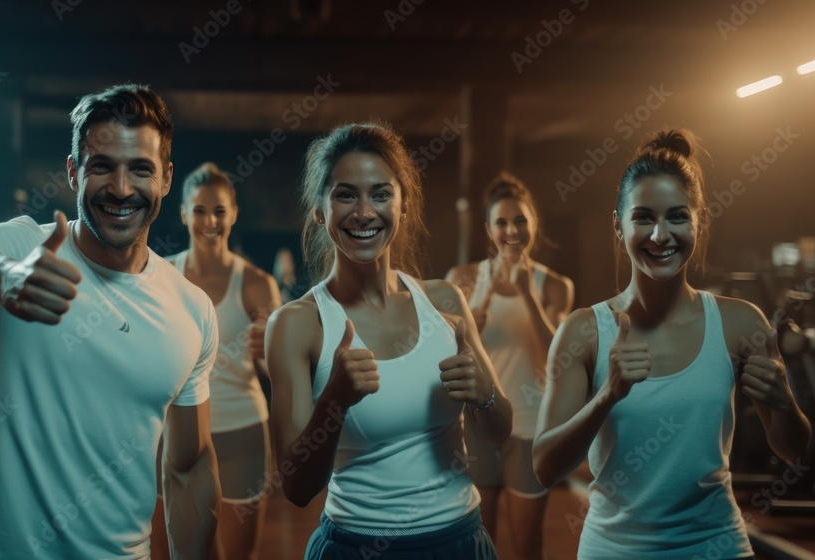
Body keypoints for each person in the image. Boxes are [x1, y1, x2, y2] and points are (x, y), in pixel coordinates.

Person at [0, 84, 221, 560]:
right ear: (73, 171)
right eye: (102, 166)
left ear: (165, 177)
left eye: (139, 169)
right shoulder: (24, 248)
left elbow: (189, 465)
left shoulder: (192, 309)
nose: (121, 189)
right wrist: (2, 278)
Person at [533, 129, 811, 559]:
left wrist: (784, 401)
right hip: (614, 551)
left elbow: (795, 452)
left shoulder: (740, 323)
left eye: (677, 217)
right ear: (617, 224)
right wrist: (607, 396)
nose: (661, 235)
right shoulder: (583, 331)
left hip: (717, 547)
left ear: (699, 219)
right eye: (643, 217)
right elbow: (545, 468)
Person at [265, 121, 512, 559]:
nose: (364, 212)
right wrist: (333, 403)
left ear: (403, 204)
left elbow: (500, 430)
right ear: (320, 210)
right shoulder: (296, 325)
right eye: (346, 194)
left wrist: (485, 394)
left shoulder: (444, 302)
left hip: (459, 541)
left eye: (380, 193)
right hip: (355, 546)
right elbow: (297, 488)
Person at [445, 172, 574, 559]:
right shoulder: (462, 280)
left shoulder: (555, 286)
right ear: (489, 229)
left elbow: (558, 359)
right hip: (478, 424)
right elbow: (446, 358)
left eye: (520, 220)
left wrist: (526, 296)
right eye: (501, 222)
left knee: (527, 544)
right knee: (479, 542)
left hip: (530, 425)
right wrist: (473, 327)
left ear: (534, 224)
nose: (511, 230)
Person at [165, 162, 281, 560]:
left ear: (233, 214)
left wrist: (268, 352)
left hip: (241, 431)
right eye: (199, 210)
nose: (210, 220)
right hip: (177, 432)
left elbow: (278, 374)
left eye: (219, 210)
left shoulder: (256, 283)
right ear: (183, 213)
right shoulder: (163, 278)